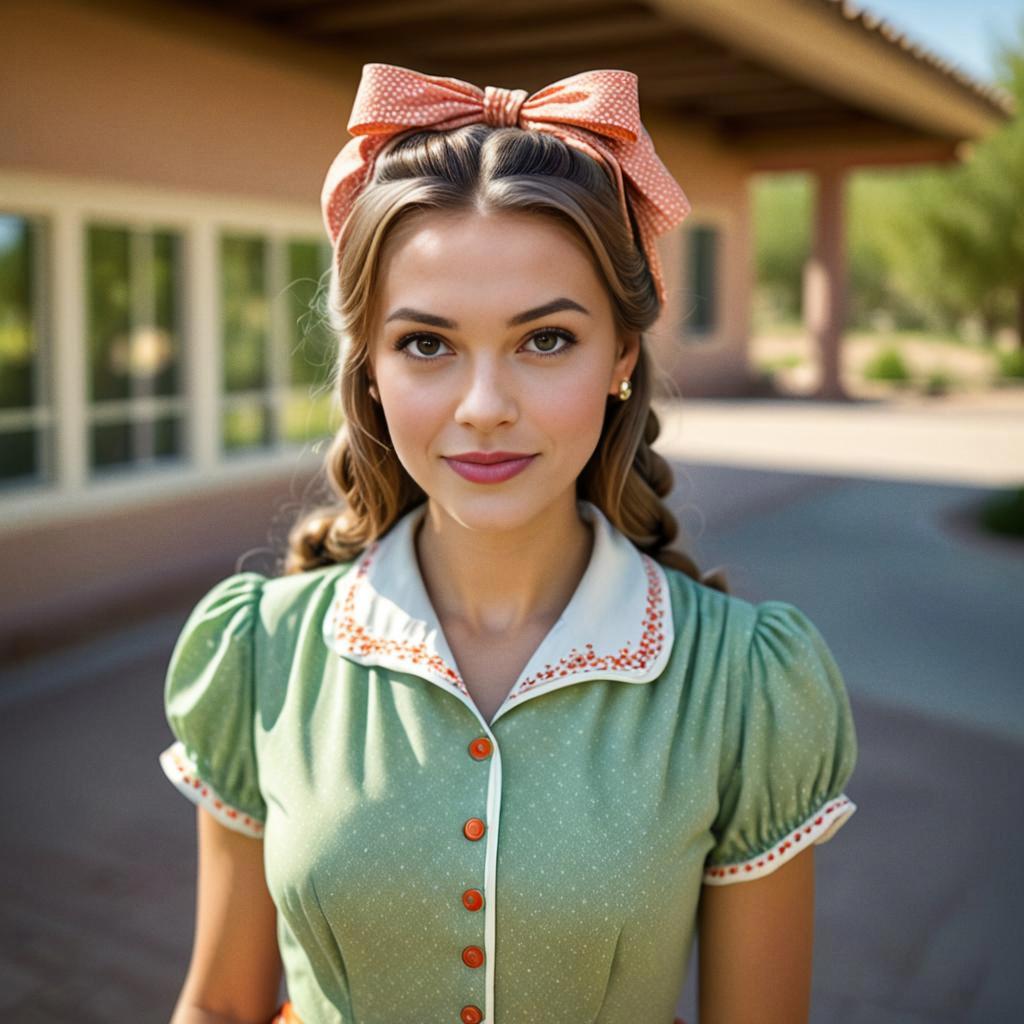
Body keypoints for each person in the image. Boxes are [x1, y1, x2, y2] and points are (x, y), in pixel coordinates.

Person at [158, 63, 859, 1024]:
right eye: (427, 344)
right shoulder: (258, 652)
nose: (484, 409)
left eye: (545, 341)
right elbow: (222, 1008)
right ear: (367, 368)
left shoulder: (745, 685)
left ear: (621, 355)